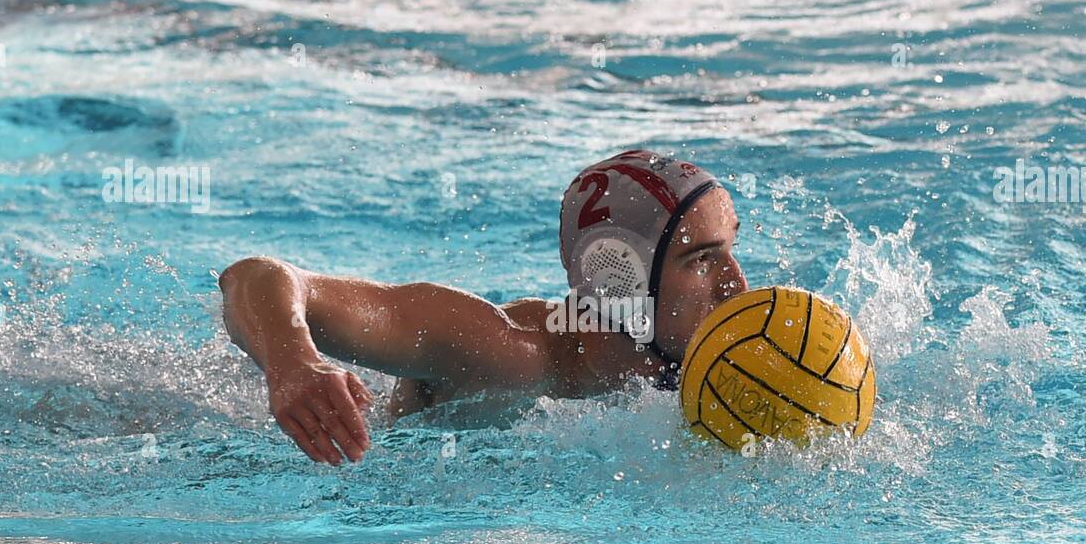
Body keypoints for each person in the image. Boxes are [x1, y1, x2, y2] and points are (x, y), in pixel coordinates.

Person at [218, 150, 748, 465]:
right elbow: (257, 276)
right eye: (701, 260)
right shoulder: (500, 348)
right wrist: (294, 363)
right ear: (620, 276)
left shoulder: (732, 351)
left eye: (731, 250)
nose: (737, 286)